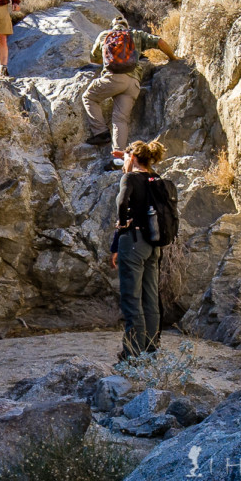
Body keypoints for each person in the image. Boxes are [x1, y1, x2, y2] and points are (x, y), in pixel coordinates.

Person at [83, 18, 179, 168]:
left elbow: (93, 58)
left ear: (112, 26)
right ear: (127, 26)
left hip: (113, 78)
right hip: (133, 83)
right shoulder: (136, 35)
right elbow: (160, 42)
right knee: (120, 119)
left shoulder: (105, 35)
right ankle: (119, 159)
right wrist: (173, 58)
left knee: (89, 97)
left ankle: (100, 132)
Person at [111, 140, 167, 360]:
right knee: (150, 298)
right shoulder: (156, 179)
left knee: (132, 299)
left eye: (126, 159)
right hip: (154, 245)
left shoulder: (130, 178)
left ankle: (133, 354)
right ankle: (151, 350)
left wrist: (122, 224)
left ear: (133, 158)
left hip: (133, 242)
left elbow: (122, 202)